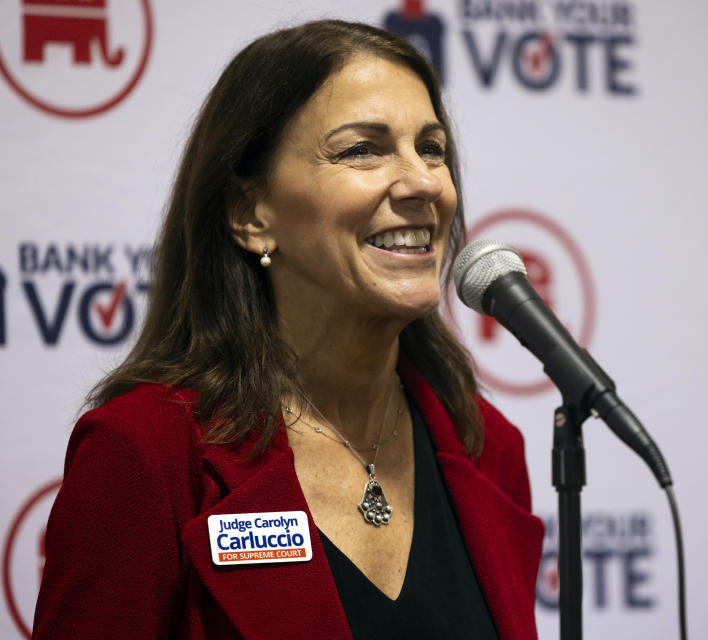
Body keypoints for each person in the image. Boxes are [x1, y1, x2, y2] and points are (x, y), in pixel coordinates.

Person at [33, 20, 543, 640]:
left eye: (431, 147)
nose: (423, 183)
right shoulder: (146, 454)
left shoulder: (487, 446)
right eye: (362, 149)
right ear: (250, 215)